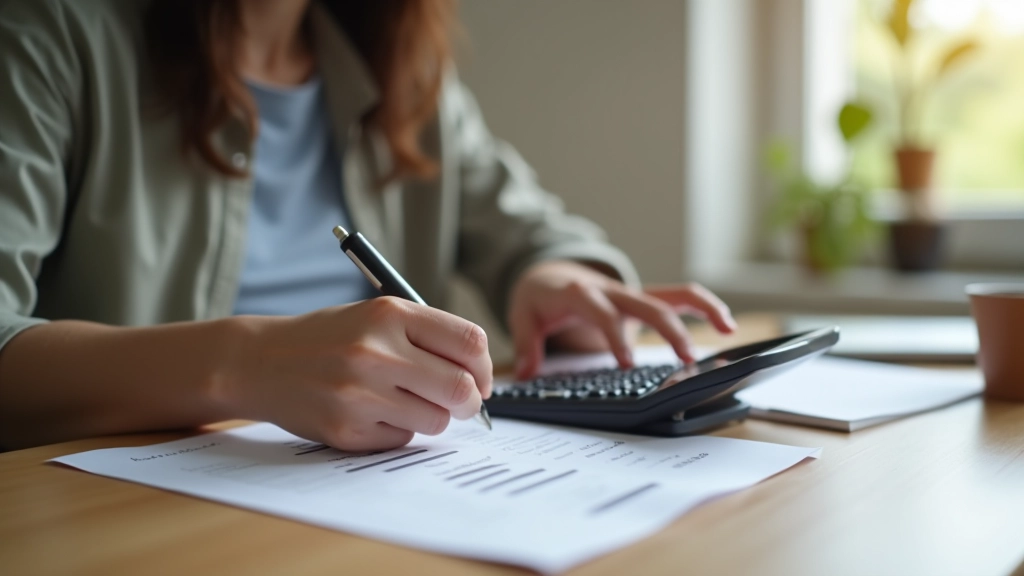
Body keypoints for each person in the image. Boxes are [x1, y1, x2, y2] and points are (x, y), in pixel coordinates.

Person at [0, 0, 736, 452]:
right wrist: (247, 362)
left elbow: (525, 226)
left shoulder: (400, 73)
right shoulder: (48, 34)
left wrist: (553, 276)